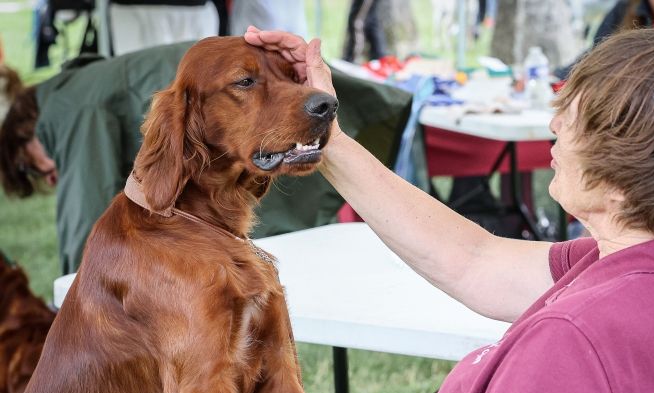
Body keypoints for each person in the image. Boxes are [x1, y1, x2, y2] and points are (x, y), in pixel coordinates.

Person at [245, 25, 654, 393]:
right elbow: (475, 261)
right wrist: (320, 130)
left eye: (573, 119)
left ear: (619, 187)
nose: (553, 125)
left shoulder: (571, 348)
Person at [0, 42, 410, 275]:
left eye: (28, 164)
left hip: (242, 105)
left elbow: (84, 210)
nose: (43, 173)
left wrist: (73, 292)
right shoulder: (70, 91)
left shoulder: (71, 109)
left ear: (25, 135)